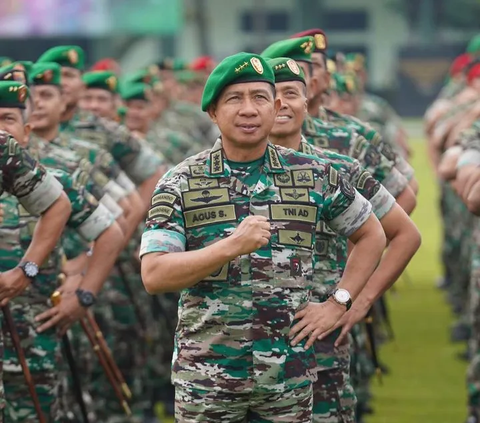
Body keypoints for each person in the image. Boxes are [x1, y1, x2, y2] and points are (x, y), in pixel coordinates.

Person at [140, 52, 386, 423]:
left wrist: (339, 301)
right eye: (234, 99)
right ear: (212, 111)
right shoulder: (181, 182)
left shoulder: (312, 174)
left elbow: (372, 234)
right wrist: (230, 247)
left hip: (287, 379)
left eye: (259, 98)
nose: (249, 110)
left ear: (274, 107)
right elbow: (155, 275)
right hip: (209, 380)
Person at [266, 56, 421, 422]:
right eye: (269, 95)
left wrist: (353, 299)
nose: (280, 104)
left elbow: (403, 234)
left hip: (317, 343)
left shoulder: (337, 168)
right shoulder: (221, 173)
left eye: (291, 93)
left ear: (309, 101)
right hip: (240, 351)